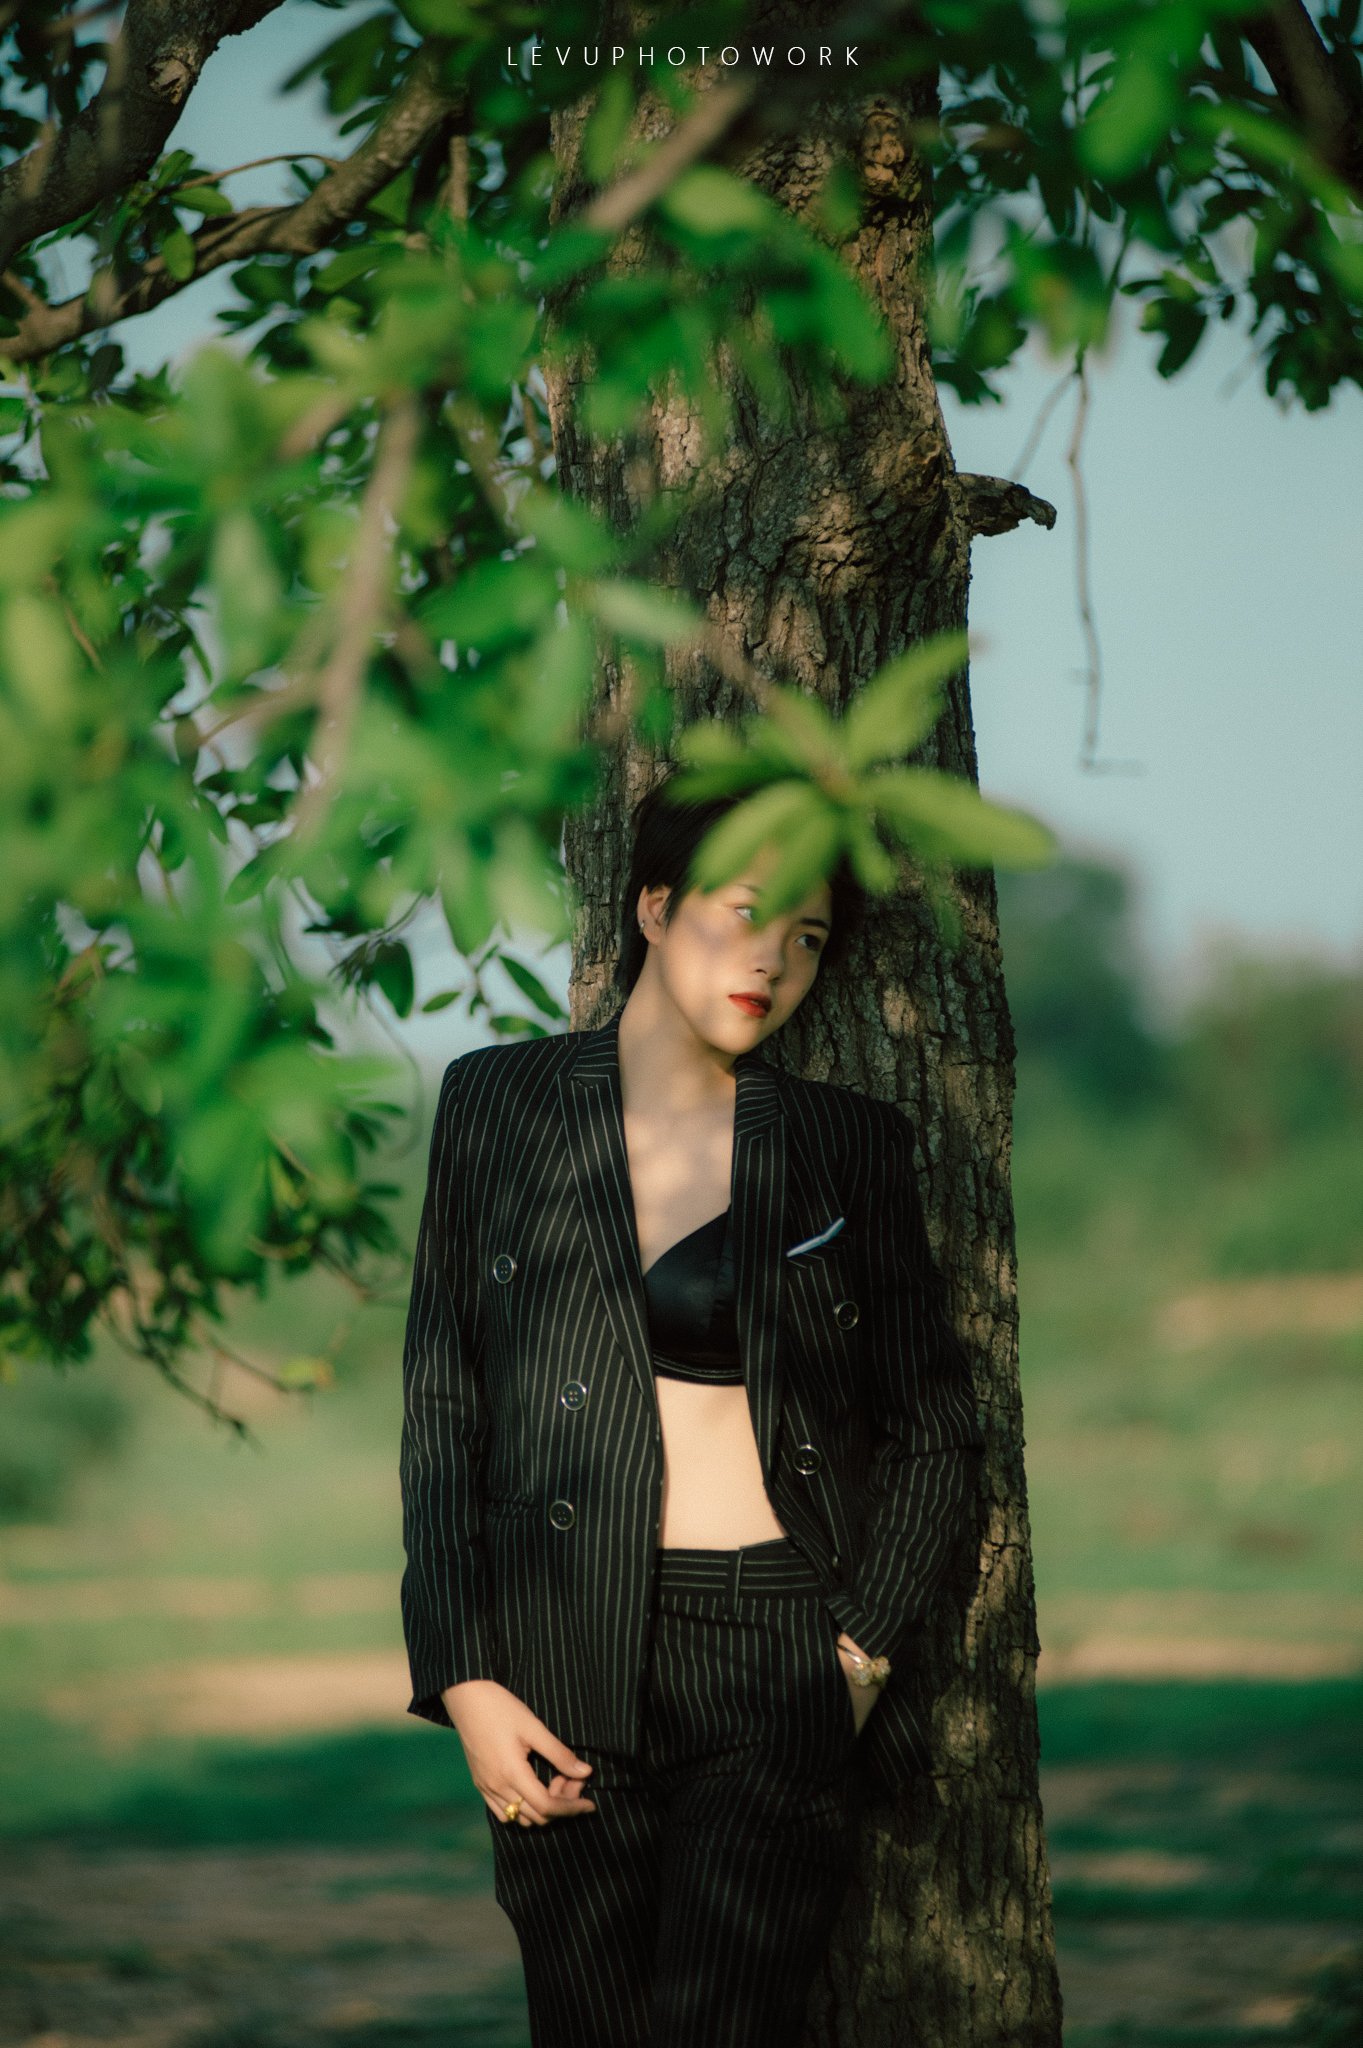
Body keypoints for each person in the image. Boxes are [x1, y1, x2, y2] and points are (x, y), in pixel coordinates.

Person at [399, 770, 986, 2047]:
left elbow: (936, 1425)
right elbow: (444, 1401)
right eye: (745, 912)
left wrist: (857, 1653)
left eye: (810, 936)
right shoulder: (498, 1102)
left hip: (773, 1649)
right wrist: (461, 1675)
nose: (773, 960)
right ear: (655, 907)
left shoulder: (843, 1142)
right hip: (553, 1648)